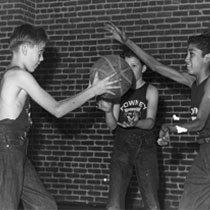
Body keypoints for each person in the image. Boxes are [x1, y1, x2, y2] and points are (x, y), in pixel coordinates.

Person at [0, 23, 120, 210]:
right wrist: (93, 91)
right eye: (39, 52)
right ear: (25, 49)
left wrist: (90, 90)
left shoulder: (16, 76)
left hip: (18, 151)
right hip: (7, 149)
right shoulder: (17, 76)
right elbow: (57, 109)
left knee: (46, 205)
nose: (42, 58)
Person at [104, 22, 210, 210]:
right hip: (205, 151)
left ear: (208, 58)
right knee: (188, 205)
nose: (186, 59)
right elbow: (155, 66)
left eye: (191, 54)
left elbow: (200, 122)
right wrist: (127, 41)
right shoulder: (192, 81)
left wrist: (171, 127)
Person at [97, 47, 160, 210]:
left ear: (144, 68)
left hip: (145, 145)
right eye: (125, 66)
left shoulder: (151, 91)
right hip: (122, 144)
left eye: (134, 66)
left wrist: (136, 123)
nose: (129, 71)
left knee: (152, 202)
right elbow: (111, 125)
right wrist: (108, 111)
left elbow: (151, 122)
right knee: (114, 203)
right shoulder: (118, 92)